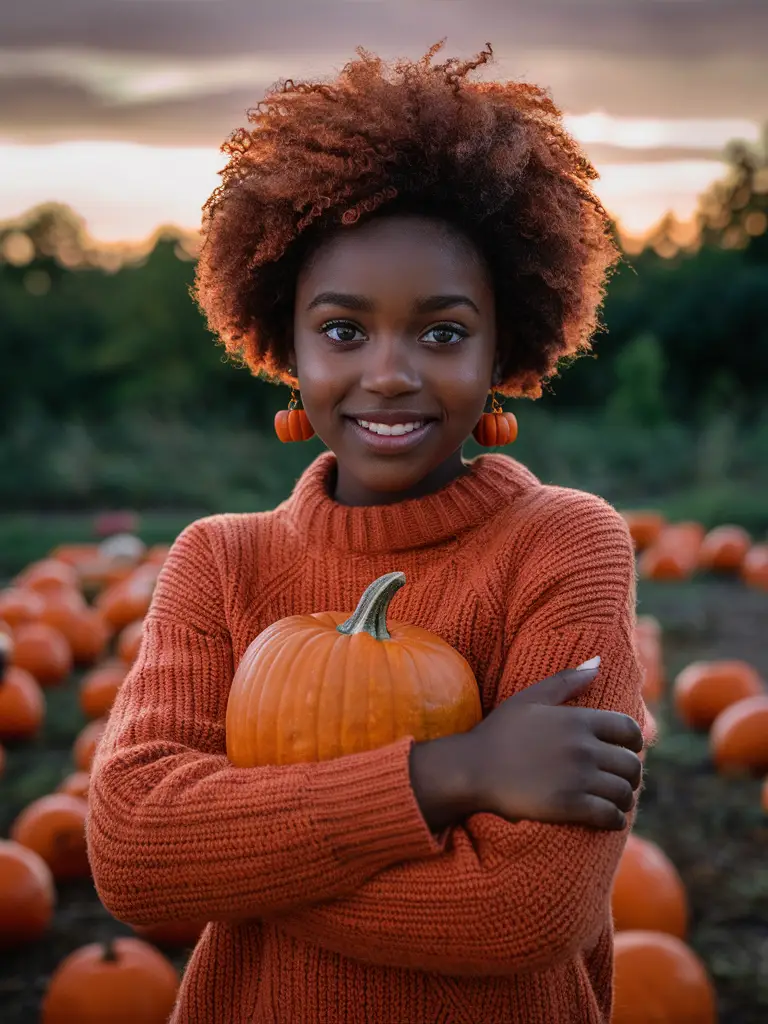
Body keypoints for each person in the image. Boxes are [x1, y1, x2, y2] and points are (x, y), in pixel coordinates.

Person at [87, 41, 654, 1023]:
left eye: (441, 332)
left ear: (501, 347)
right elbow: (136, 852)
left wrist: (237, 861)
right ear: (286, 342)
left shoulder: (564, 545)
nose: (389, 373)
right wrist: (452, 773)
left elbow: (520, 907)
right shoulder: (222, 561)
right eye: (345, 330)